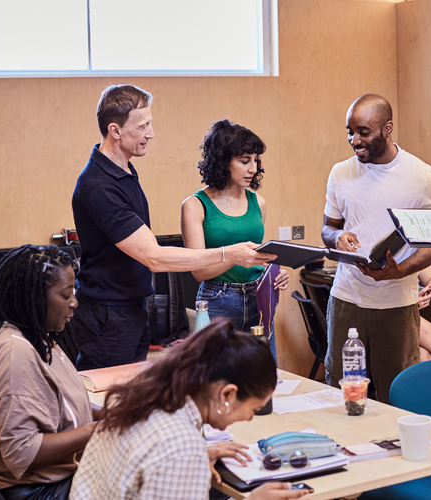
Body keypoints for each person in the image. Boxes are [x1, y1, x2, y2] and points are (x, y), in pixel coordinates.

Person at [72, 85, 275, 370]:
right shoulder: (100, 185)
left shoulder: (124, 171)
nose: (150, 133)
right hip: (108, 315)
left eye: (150, 123)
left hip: (131, 308)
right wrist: (230, 254)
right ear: (115, 130)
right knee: (111, 402)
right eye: (143, 126)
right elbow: (153, 257)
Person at [69, 319, 311, 500]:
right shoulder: (181, 445)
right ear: (227, 394)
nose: (249, 418)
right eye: (254, 408)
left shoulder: (146, 400)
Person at [321, 94, 431, 403]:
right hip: (347, 298)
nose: (354, 140)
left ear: (387, 128)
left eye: (363, 131)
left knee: (397, 394)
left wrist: (401, 270)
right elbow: (327, 228)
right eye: (349, 131)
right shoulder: (341, 173)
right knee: (342, 393)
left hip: (397, 304)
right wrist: (335, 237)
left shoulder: (423, 178)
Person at [0, 245, 95, 499]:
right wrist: (97, 430)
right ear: (36, 297)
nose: (74, 303)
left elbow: (61, 401)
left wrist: (118, 413)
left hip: (48, 480)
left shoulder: (34, 336)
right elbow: (21, 453)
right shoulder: (15, 352)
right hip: (38, 491)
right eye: (66, 294)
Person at [181, 119, 288, 359]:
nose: (253, 168)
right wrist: (235, 255)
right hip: (217, 300)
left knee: (261, 378)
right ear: (222, 162)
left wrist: (274, 273)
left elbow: (257, 257)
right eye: (244, 161)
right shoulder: (195, 205)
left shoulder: (258, 202)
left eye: (255, 160)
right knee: (215, 379)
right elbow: (199, 272)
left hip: (258, 299)